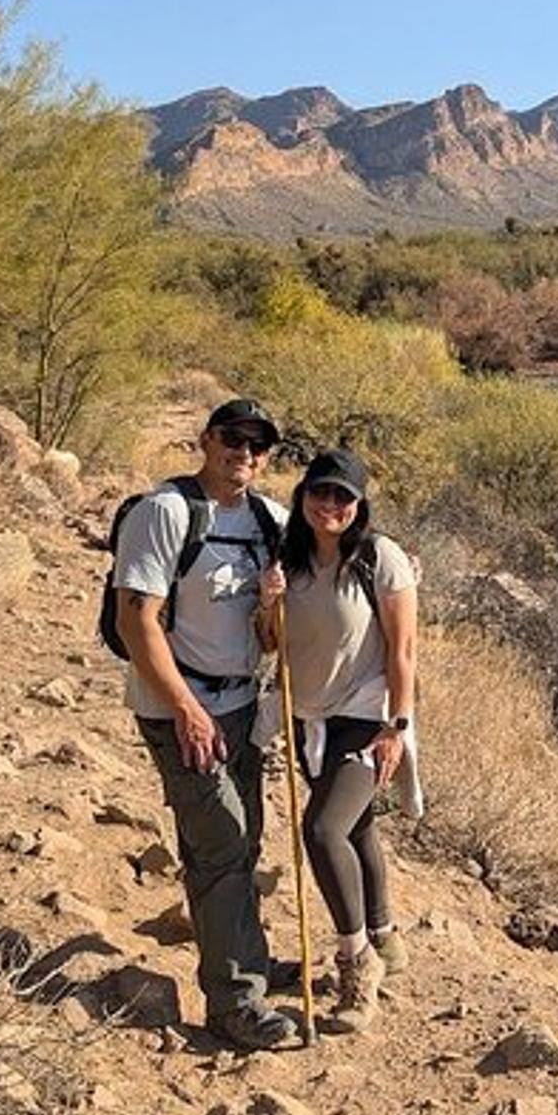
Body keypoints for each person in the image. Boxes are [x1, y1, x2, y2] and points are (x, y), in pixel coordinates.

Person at [113, 398, 296, 1052]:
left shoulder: (272, 522)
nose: (243, 452)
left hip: (243, 704)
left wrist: (277, 607)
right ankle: (235, 1004)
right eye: (232, 437)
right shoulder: (165, 513)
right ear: (206, 439)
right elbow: (137, 620)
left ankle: (245, 956)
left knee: (243, 842)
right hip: (178, 707)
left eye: (258, 444)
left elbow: (274, 640)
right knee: (221, 843)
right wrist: (187, 709)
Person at [257, 447, 420, 1035]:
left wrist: (396, 727)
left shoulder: (381, 559)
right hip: (309, 718)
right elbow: (271, 646)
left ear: (359, 506)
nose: (330, 505)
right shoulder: (289, 559)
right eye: (320, 493)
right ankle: (384, 932)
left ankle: (358, 962)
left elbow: (402, 651)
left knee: (323, 831)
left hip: (366, 715)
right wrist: (268, 601)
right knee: (355, 827)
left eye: (342, 497)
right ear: (303, 497)